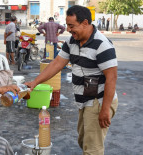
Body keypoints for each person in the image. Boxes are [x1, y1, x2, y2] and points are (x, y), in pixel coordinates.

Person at [26, 5, 118, 155]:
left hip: (99, 101)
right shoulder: (72, 42)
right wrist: (35, 82)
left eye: (71, 26)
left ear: (85, 23)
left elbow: (112, 78)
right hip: (84, 101)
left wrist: (105, 109)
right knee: (83, 141)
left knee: (92, 148)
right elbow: (56, 63)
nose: (68, 29)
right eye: (67, 25)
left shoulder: (102, 45)